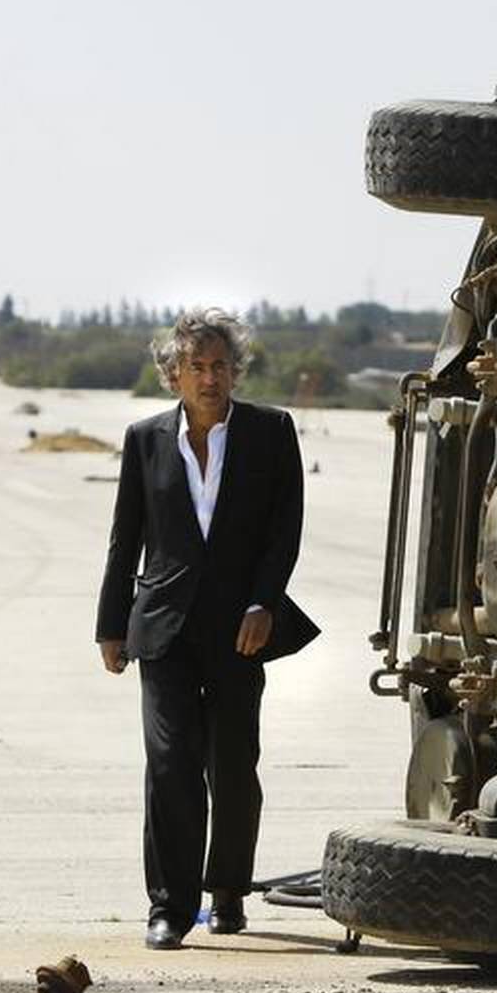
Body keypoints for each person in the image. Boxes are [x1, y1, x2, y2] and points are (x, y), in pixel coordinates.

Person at [96, 309, 317, 948]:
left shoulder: (272, 433)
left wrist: (263, 603)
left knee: (232, 764)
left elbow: (284, 530)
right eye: (195, 366)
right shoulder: (144, 439)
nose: (209, 377)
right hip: (162, 629)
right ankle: (169, 905)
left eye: (219, 365)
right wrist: (111, 626)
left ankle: (228, 893)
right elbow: (125, 537)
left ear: (235, 371)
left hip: (238, 629)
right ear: (173, 376)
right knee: (168, 763)